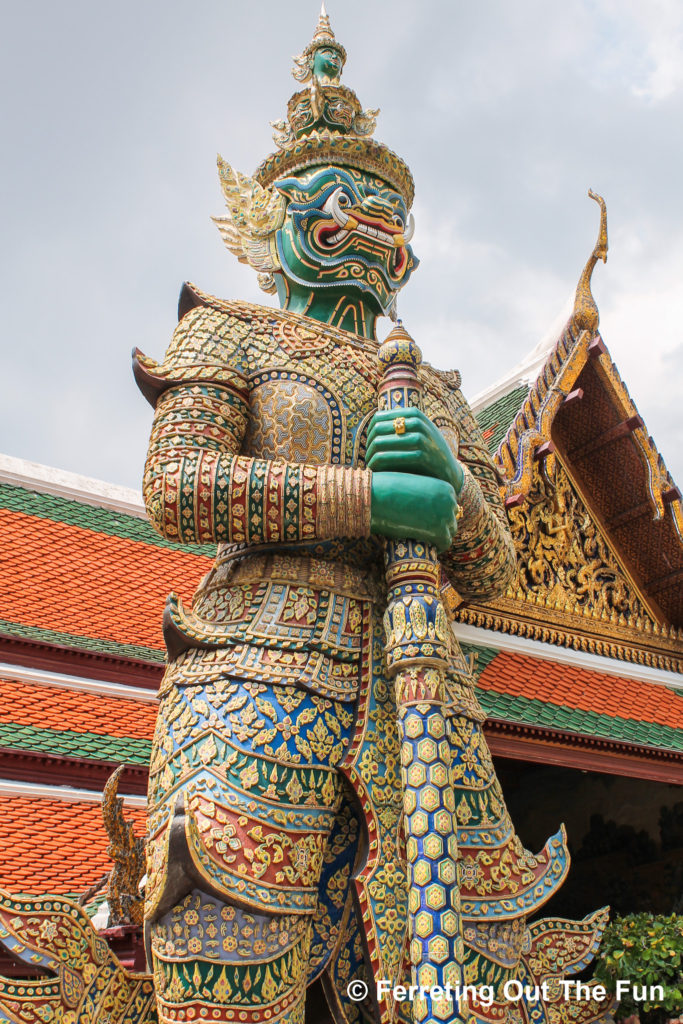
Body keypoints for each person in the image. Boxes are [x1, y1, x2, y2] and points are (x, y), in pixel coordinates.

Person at [135, 12, 608, 1024]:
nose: (367, 223)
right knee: (230, 968)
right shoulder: (227, 332)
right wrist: (370, 498)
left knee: (450, 990)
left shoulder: (433, 390)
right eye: (336, 201)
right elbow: (178, 484)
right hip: (256, 678)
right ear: (271, 223)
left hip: (417, 698)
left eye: (388, 210)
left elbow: (494, 566)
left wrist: (444, 474)